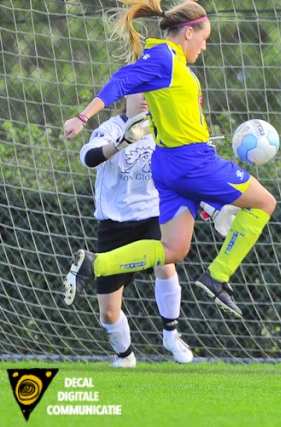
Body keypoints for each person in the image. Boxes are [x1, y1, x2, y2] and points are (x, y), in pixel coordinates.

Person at [62, 0, 276, 320]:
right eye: (203, 38)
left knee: (174, 249)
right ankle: (218, 276)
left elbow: (168, 59)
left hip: (169, 165)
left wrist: (190, 8)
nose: (204, 47)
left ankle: (96, 264)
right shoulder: (165, 60)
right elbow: (121, 79)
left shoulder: (169, 57)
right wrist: (83, 117)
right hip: (192, 162)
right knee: (265, 202)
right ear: (188, 33)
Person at [76, 92, 192, 367]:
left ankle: (171, 334)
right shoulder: (111, 128)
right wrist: (121, 143)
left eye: (151, 91)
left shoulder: (166, 128)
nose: (144, 97)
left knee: (167, 263)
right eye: (139, 90)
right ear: (126, 94)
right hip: (115, 225)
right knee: (108, 313)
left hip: (152, 216)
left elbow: (186, 168)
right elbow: (89, 158)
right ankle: (125, 356)